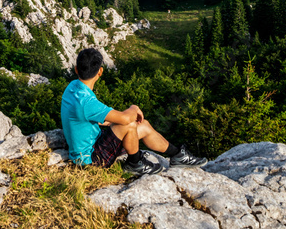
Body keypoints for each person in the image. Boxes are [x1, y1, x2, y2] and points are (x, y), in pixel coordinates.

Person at [60, 47, 208, 175]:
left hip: (93, 143)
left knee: (143, 125)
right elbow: (125, 119)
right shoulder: (87, 102)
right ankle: (134, 163)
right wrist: (134, 108)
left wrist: (118, 121)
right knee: (129, 124)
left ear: (76, 69)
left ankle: (177, 155)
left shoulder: (73, 87)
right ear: (100, 72)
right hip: (90, 159)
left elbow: (94, 118)